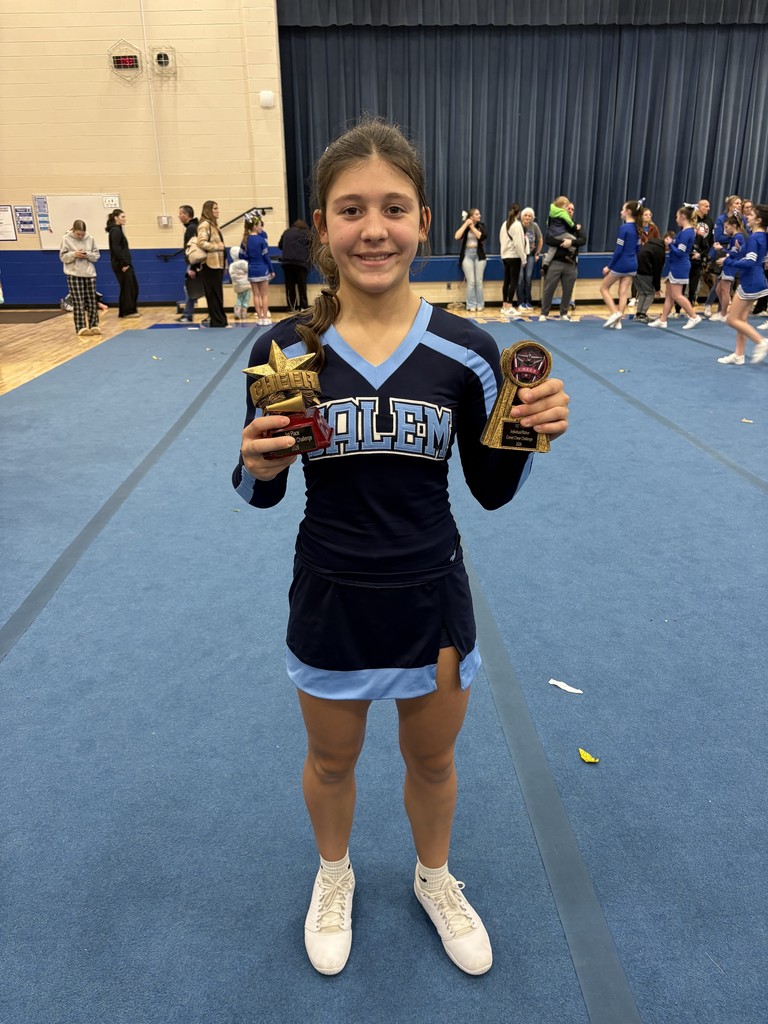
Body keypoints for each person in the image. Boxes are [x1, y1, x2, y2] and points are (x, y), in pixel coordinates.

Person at [232, 117, 569, 978]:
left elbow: (489, 491)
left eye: (393, 208)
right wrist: (251, 462)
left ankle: (434, 876)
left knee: (433, 756)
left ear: (425, 220)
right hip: (331, 595)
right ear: (322, 222)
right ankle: (334, 874)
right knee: (330, 758)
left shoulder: (470, 349)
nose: (372, 229)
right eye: (351, 210)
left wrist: (532, 435)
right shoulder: (284, 347)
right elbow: (260, 488)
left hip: (432, 598)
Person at [717, 202, 768, 365]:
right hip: (755, 279)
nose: (747, 217)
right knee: (742, 320)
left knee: (732, 319)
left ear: (759, 220)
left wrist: (728, 262)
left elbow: (750, 262)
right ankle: (739, 355)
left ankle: (761, 341)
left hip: (751, 281)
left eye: (751, 215)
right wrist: (735, 252)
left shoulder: (754, 237)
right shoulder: (762, 236)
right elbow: (750, 256)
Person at [647, 206, 702, 330]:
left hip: (680, 266)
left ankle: (693, 316)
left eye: (677, 216)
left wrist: (670, 244)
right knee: (669, 295)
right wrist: (672, 242)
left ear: (683, 217)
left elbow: (680, 253)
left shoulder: (687, 233)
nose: (676, 219)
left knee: (677, 295)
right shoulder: (684, 232)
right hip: (675, 265)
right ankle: (663, 320)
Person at [538, 199, 586, 323]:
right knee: (549, 289)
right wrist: (563, 243)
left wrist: (572, 242)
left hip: (571, 264)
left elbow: (583, 240)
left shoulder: (576, 226)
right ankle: (544, 313)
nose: (569, 210)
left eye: (572, 209)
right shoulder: (556, 225)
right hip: (556, 262)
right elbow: (549, 240)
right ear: (563, 209)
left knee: (568, 290)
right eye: (568, 208)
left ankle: (564, 313)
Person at [600, 199, 644, 329]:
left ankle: (615, 313)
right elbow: (638, 249)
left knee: (603, 288)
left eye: (623, 209)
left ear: (628, 212)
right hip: (632, 263)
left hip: (622, 263)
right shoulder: (637, 228)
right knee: (623, 292)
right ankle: (618, 322)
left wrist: (609, 266)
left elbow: (619, 250)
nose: (621, 212)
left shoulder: (624, 228)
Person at [59, 219, 101, 338]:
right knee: (78, 302)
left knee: (92, 301)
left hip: (89, 273)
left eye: (82, 234)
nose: (81, 237)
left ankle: (94, 325)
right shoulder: (66, 239)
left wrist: (87, 254)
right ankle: (81, 327)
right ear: (73, 231)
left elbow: (96, 256)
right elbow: (63, 257)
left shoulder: (90, 239)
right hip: (74, 274)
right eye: (78, 234)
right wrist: (74, 254)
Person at [196, 200, 228, 329]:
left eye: (217, 208)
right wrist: (216, 246)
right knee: (213, 295)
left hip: (217, 265)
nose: (217, 210)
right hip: (210, 266)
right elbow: (201, 242)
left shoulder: (214, 226)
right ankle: (217, 321)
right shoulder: (204, 225)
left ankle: (220, 320)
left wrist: (224, 264)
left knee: (217, 294)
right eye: (215, 208)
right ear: (209, 210)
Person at [241, 215, 275, 325]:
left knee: (256, 295)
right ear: (255, 227)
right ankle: (265, 317)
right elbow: (266, 257)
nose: (261, 227)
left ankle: (259, 318)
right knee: (264, 295)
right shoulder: (261, 240)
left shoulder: (245, 240)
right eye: (260, 225)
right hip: (262, 269)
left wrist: (250, 258)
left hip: (252, 270)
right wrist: (271, 270)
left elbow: (241, 255)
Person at [106, 209, 140, 318]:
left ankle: (130, 310)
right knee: (127, 287)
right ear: (116, 218)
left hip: (125, 263)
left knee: (132, 286)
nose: (124, 219)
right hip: (121, 265)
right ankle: (126, 311)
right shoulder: (115, 231)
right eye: (122, 217)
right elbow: (117, 249)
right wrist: (124, 263)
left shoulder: (118, 230)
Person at [711, 216, 746, 321]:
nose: (725, 229)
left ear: (734, 226)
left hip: (731, 266)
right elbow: (731, 253)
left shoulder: (738, 237)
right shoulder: (733, 237)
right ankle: (725, 311)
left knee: (725, 290)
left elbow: (736, 255)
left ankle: (724, 314)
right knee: (718, 289)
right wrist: (725, 257)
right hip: (727, 265)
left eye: (726, 227)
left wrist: (721, 249)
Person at [455, 208, 487, 312]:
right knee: (471, 281)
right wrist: (466, 224)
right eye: (477, 214)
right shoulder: (466, 228)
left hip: (479, 256)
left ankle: (480, 304)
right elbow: (457, 236)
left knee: (478, 281)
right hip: (467, 255)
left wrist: (472, 227)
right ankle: (471, 304)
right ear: (471, 216)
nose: (479, 215)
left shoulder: (481, 226)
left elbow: (481, 237)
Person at [633, 231, 668, 323]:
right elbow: (657, 271)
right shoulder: (660, 251)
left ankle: (638, 314)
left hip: (635, 270)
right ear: (667, 239)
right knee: (649, 294)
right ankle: (642, 314)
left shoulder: (650, 243)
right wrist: (657, 289)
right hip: (645, 272)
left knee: (642, 293)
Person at [498, 204, 526, 318]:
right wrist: (523, 258)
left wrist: (503, 253)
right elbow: (518, 244)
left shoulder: (504, 224)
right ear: (518, 213)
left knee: (507, 281)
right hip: (514, 256)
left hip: (505, 256)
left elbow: (501, 240)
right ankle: (509, 306)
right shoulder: (517, 225)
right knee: (513, 281)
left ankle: (504, 306)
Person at [278, 219, 312, 311]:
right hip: (301, 262)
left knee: (290, 286)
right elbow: (312, 246)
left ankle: (291, 307)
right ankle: (303, 306)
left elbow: (280, 245)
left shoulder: (287, 232)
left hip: (287, 262)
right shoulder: (306, 233)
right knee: (302, 286)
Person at [177, 205, 202, 323]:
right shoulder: (191, 227)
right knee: (189, 289)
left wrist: (193, 267)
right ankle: (188, 314)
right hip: (193, 264)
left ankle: (188, 315)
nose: (179, 216)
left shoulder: (192, 228)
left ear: (186, 215)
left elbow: (194, 249)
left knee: (189, 288)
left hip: (194, 264)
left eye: (180, 214)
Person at [517, 207, 542, 311]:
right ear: (522, 216)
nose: (527, 217)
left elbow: (540, 240)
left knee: (528, 278)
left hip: (531, 255)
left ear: (532, 217)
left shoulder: (534, 226)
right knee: (520, 279)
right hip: (519, 255)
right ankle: (520, 302)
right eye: (525, 215)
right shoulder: (517, 225)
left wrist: (537, 253)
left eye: (529, 216)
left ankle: (528, 301)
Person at [228, 245, 251, 321]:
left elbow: (231, 275)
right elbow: (249, 270)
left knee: (239, 298)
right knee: (246, 298)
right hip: (246, 284)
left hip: (237, 286)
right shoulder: (243, 263)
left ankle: (237, 312)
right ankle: (244, 314)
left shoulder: (232, 265)